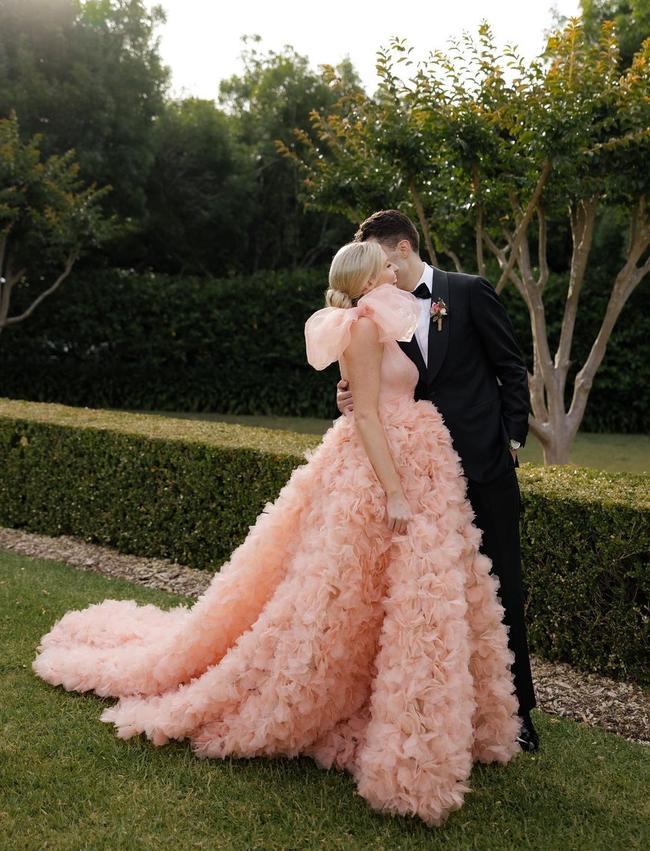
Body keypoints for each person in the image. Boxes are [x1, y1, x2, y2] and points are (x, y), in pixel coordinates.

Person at [32, 240, 522, 828]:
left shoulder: (393, 315)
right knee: (352, 588)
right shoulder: (363, 326)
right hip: (383, 468)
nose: (396, 267)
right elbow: (365, 412)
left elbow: (398, 385)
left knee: (412, 590)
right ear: (368, 276)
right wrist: (392, 490)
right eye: (386, 264)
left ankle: (413, 704)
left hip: (423, 459)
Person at [336, 210, 538, 752]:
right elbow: (375, 384)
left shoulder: (468, 292)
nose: (379, 272)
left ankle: (519, 713)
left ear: (403, 248)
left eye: (382, 260)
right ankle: (450, 714)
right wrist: (351, 396)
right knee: (437, 598)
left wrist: (512, 441)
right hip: (419, 474)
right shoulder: (376, 312)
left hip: (482, 465)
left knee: (501, 589)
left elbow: (511, 368)